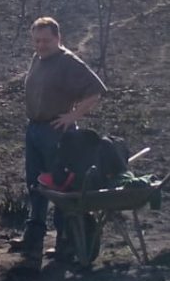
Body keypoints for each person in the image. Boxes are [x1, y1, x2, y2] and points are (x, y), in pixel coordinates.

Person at [14, 17, 107, 262]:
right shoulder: (39, 58)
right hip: (34, 129)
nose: (41, 45)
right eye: (37, 40)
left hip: (56, 133)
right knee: (35, 184)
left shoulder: (67, 62)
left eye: (46, 40)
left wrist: (72, 116)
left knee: (59, 188)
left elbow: (95, 91)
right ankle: (32, 239)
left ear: (58, 38)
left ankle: (65, 242)